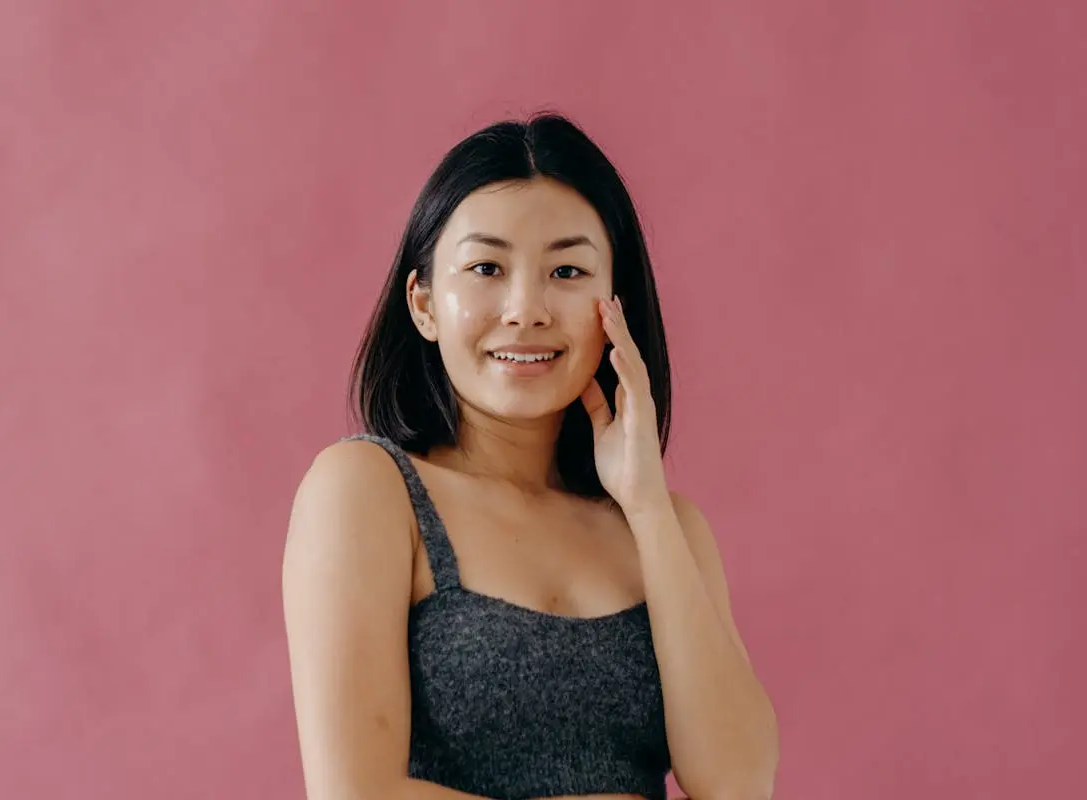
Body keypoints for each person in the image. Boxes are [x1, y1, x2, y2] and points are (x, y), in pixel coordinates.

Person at [282, 112, 779, 800]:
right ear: (423, 303)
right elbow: (356, 794)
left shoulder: (669, 528)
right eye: (486, 267)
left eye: (567, 270)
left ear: (617, 307)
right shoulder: (368, 491)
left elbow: (737, 784)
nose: (527, 309)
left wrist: (646, 505)